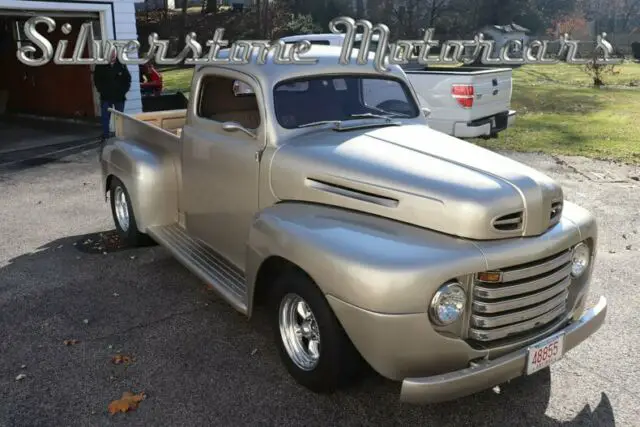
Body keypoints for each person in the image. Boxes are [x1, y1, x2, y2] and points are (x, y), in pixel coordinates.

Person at [94, 50, 131, 141]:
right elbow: (97, 80)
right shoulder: (100, 65)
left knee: (120, 117)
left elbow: (127, 80)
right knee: (105, 117)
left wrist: (123, 91)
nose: (112, 54)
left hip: (119, 97)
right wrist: (101, 91)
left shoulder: (121, 64)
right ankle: (105, 135)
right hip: (106, 97)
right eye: (110, 52)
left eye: (114, 52)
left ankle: (121, 134)